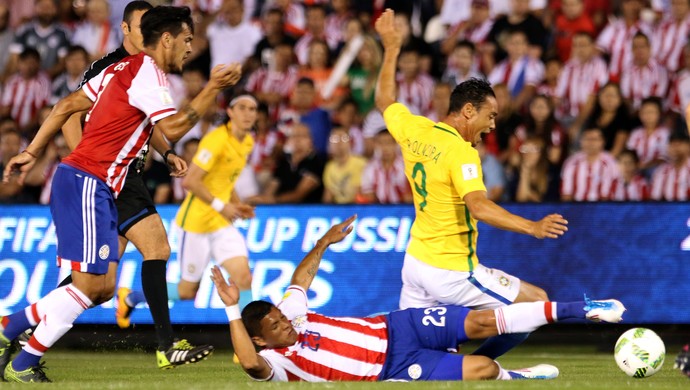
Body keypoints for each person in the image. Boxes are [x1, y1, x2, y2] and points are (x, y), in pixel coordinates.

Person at [0, 5, 243, 382]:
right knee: (92, 285)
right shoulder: (147, 73)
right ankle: (17, 348)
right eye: (187, 40)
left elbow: (67, 105)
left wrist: (32, 151)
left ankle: (17, 345)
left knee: (99, 287)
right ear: (167, 39)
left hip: (90, 182)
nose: (190, 49)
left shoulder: (119, 70)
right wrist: (212, 88)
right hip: (88, 182)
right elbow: (175, 125)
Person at [210, 216, 627, 382]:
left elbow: (302, 279)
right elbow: (248, 362)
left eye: (282, 316)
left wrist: (323, 241)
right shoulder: (277, 365)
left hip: (399, 325)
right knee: (482, 369)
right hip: (397, 366)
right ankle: (517, 376)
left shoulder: (293, 315)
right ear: (262, 340)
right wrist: (231, 307)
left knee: (483, 321)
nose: (286, 322)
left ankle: (586, 308)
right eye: (277, 326)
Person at [374, 9, 569, 361]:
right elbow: (478, 205)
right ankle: (480, 364)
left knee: (414, 353)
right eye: (489, 115)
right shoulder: (462, 153)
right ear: (467, 111)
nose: (493, 125)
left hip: (416, 260)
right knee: (536, 304)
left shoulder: (415, 129)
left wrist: (391, 48)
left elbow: (384, 100)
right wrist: (533, 227)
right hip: (451, 269)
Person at [117, 94, 257, 325]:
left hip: (221, 224)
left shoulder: (247, 141)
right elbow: (190, 181)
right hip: (196, 225)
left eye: (252, 109)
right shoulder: (217, 140)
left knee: (244, 278)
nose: (248, 113)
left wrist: (236, 203)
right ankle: (131, 298)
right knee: (186, 291)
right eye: (242, 108)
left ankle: (250, 341)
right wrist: (223, 206)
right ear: (230, 112)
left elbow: (225, 179)